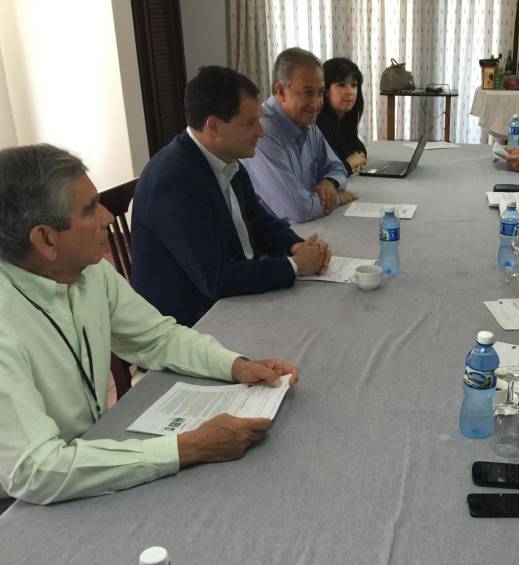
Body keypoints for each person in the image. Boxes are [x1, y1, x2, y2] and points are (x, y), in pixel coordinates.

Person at [0, 143, 301, 505]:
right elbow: (33, 469)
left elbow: (157, 338)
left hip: (92, 453)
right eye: (90, 209)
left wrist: (236, 365)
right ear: (46, 239)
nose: (107, 218)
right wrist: (188, 448)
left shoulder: (88, 270)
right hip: (23, 504)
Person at [132, 65, 331, 327]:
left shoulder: (226, 159)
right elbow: (216, 278)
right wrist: (294, 265)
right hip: (191, 322)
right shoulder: (173, 182)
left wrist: (295, 247)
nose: (261, 131)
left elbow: (259, 221)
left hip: (231, 296)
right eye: (250, 123)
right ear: (213, 126)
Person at [242, 48, 357, 223]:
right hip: (276, 236)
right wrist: (337, 198)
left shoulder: (307, 121)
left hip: (309, 227)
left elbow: (338, 168)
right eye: (308, 92)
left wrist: (329, 183)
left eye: (320, 93)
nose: (316, 103)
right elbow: (298, 210)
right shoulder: (263, 132)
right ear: (281, 92)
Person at [317, 57, 367, 175]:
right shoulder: (319, 120)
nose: (350, 92)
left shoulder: (346, 117)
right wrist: (349, 164)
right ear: (326, 90)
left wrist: (355, 160)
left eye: (354, 85)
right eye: (341, 85)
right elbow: (328, 170)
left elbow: (359, 150)